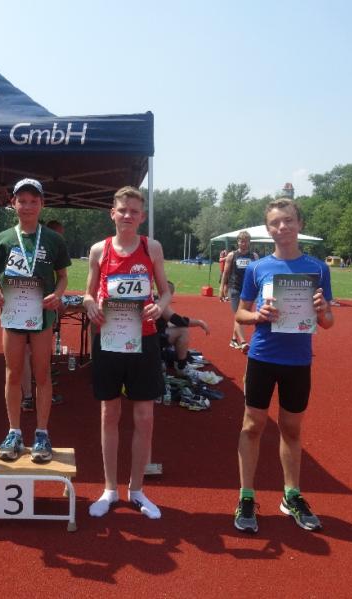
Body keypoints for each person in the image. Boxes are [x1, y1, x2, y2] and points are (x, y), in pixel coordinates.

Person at [233, 197, 334, 534]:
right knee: (252, 426)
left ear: (299, 224)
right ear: (268, 229)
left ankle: (291, 495)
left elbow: (328, 321)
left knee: (291, 429)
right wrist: (257, 316)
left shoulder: (318, 269)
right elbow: (240, 313)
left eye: (288, 220)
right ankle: (247, 496)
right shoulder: (258, 268)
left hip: (298, 361)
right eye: (275, 222)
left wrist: (322, 311)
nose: (282, 227)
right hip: (262, 357)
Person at [84, 186, 171, 520]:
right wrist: (90, 305)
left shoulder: (152, 248)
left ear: (142, 217)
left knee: (144, 417)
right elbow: (88, 294)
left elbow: (165, 292)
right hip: (109, 340)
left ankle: (137, 490)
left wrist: (159, 306)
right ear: (112, 213)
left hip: (144, 339)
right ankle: (109, 489)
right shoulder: (99, 250)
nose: (128, 216)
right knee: (109, 414)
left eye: (134, 211)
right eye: (122, 210)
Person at [0, 179, 71, 463]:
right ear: (13, 203)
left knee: (42, 374)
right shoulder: (4, 238)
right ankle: (14, 432)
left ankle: (42, 433)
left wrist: (58, 295)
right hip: (12, 316)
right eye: (22, 200)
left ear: (42, 204)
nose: (28, 206)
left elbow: (63, 277)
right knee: (13, 373)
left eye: (34, 201)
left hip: (42, 316)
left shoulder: (53, 239)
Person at [20, 219, 67, 412]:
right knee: (29, 353)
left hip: (43, 307)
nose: (61, 237)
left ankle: (34, 396)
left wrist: (57, 296)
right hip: (25, 306)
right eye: (59, 233)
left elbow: (60, 277)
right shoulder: (40, 244)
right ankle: (29, 397)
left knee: (34, 353)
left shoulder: (52, 245)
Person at [157, 280, 210, 375]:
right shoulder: (160, 303)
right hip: (151, 341)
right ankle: (181, 366)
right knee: (183, 331)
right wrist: (200, 322)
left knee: (171, 327)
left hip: (141, 341)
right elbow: (179, 321)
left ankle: (162, 360)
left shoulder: (153, 299)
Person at [219, 231, 259, 352]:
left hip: (249, 290)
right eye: (241, 241)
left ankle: (234, 339)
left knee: (244, 315)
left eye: (246, 241)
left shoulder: (254, 256)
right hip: (235, 288)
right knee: (238, 315)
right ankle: (243, 342)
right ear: (238, 242)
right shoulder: (232, 255)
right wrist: (222, 289)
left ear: (249, 242)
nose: (244, 244)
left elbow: (257, 273)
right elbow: (225, 273)